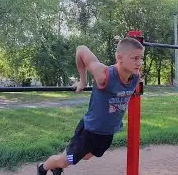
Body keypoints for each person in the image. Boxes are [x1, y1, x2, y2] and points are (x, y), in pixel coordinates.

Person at [37, 37, 144, 175]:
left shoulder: (135, 76)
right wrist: (83, 81)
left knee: (86, 156)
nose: (139, 62)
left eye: (141, 58)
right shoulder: (103, 74)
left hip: (107, 132)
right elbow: (80, 49)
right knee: (66, 160)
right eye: (135, 58)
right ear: (120, 57)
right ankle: (43, 168)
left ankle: (60, 162)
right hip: (88, 131)